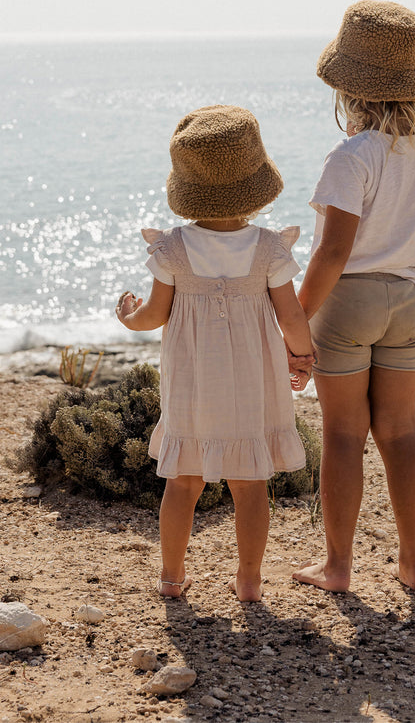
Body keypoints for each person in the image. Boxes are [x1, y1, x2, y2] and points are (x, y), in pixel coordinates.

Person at [291, 1, 415, 593]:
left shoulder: (351, 157)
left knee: (342, 434)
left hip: (349, 302)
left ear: (350, 89)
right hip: (410, 297)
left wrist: (294, 323)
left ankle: (338, 567)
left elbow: (332, 255)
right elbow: (414, 221)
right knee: (400, 430)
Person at [116, 105, 314, 602]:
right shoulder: (269, 248)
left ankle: (171, 578)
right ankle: (248, 582)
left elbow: (156, 315)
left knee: (182, 481)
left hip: (192, 381)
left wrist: (128, 316)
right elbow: (291, 316)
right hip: (254, 380)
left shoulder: (174, 248)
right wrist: (303, 357)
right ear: (256, 183)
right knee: (250, 482)